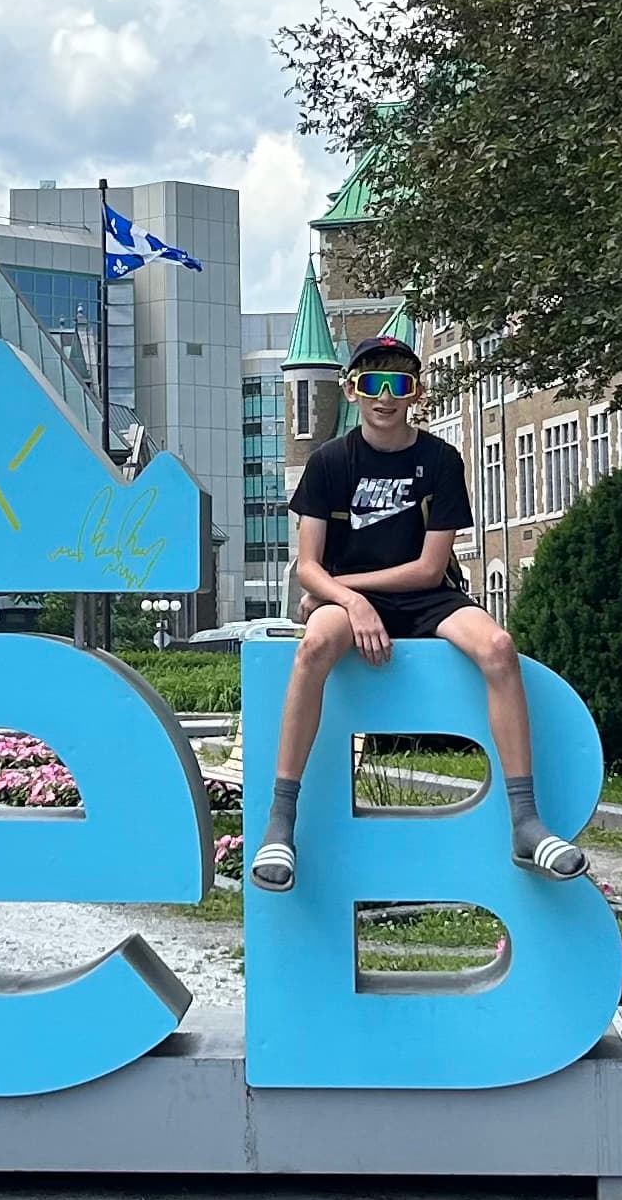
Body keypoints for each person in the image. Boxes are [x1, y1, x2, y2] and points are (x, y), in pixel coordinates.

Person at [249, 335, 586, 894]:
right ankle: (280, 824)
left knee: (499, 648)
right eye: (372, 384)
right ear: (352, 391)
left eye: (399, 384)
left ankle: (526, 823)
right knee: (312, 648)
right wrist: (348, 601)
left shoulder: (439, 460)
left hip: (423, 596)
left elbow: (430, 570)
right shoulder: (329, 462)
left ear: (417, 394)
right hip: (345, 603)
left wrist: (341, 587)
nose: (385, 397)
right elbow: (306, 566)